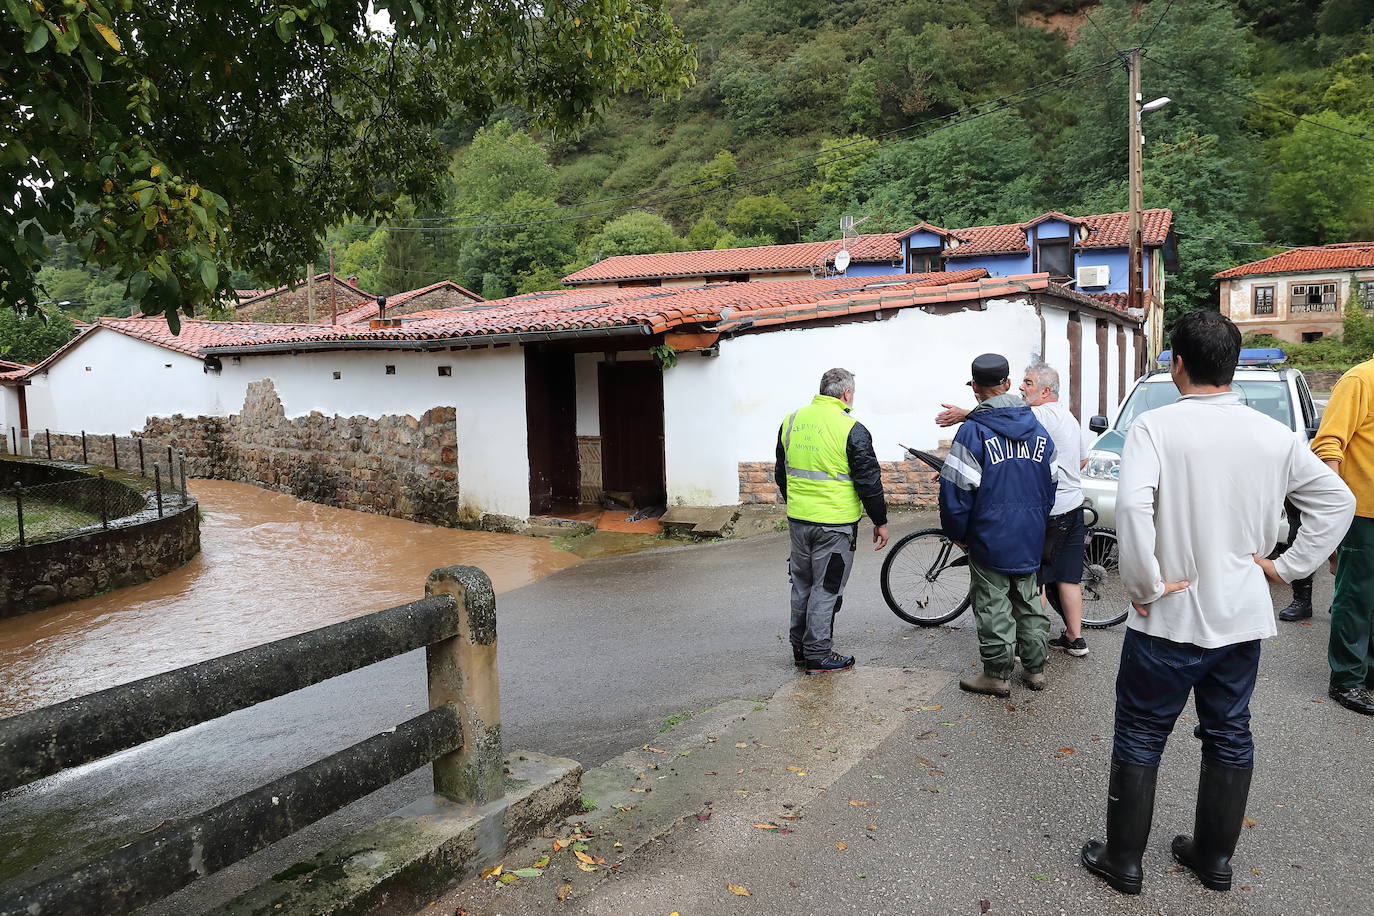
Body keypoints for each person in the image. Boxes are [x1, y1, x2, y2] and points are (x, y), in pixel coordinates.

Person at [1082, 312, 1352, 896]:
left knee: (1140, 734)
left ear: (1177, 363)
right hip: (1240, 617)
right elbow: (1338, 502)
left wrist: (1144, 585)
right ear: (1234, 368)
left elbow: (1131, 512)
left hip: (1167, 618)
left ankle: (1124, 861)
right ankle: (1213, 859)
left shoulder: (1156, 429)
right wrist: (1286, 568)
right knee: (1229, 733)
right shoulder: (1274, 437)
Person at [937, 360, 1091, 656]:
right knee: (1069, 578)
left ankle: (1029, 646)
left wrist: (965, 416)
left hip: (1049, 512)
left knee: (1036, 582)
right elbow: (1080, 459)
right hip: (1074, 505)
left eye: (1029, 383)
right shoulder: (1068, 418)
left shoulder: (1037, 417)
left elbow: (1003, 421)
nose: (1022, 387)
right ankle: (1075, 638)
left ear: (1046, 390)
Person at [938, 353, 1056, 697]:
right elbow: (1051, 483)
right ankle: (1035, 669)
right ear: (1007, 384)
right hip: (1030, 532)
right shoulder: (1038, 429)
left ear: (975, 388)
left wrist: (957, 534)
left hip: (989, 534)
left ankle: (997, 674)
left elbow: (956, 491)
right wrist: (1038, 520)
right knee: (1029, 600)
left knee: (993, 603)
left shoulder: (973, 432)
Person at [775, 368, 889, 676]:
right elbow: (869, 482)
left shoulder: (791, 421)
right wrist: (880, 521)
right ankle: (818, 654)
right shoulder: (852, 428)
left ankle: (799, 649)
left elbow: (781, 474)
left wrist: (799, 503)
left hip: (799, 521)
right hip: (835, 525)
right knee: (826, 588)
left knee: (801, 584)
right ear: (847, 394)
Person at [1311, 355, 1374, 714]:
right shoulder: (1359, 380)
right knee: (1356, 597)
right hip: (1363, 512)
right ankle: (1348, 680)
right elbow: (1328, 443)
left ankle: (1368, 675)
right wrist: (1335, 508)